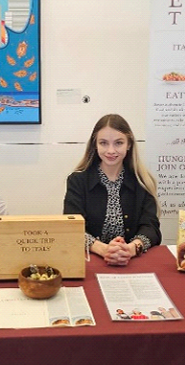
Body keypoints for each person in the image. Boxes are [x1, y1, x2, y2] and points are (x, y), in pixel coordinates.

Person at [64, 114, 161, 266]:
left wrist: (130, 249)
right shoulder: (77, 181)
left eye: (118, 143)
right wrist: (103, 249)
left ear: (128, 145)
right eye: (103, 143)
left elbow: (151, 228)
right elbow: (71, 228)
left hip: (131, 261)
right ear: (95, 145)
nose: (111, 150)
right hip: (91, 261)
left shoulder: (143, 181)